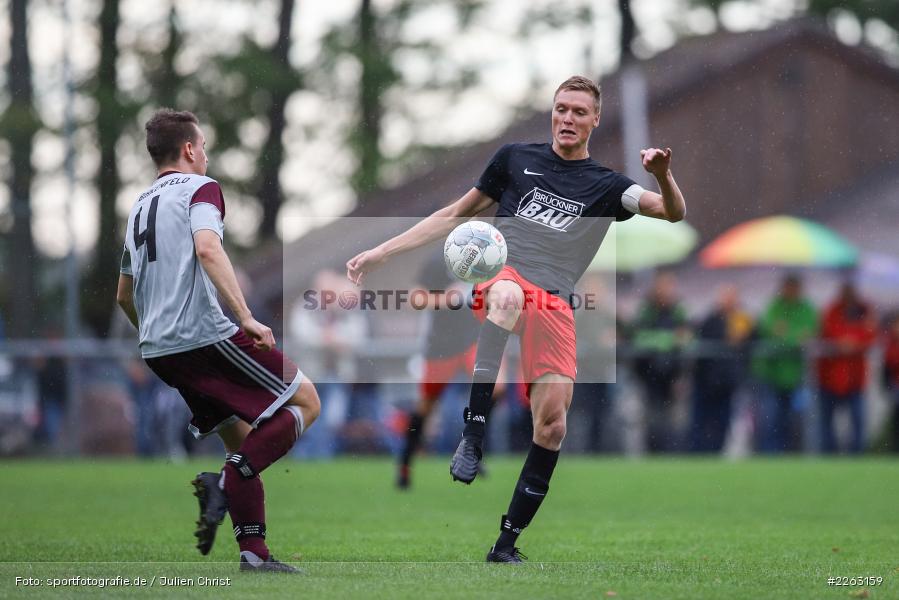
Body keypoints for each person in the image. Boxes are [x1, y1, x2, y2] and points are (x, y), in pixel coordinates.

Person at [347, 76, 686, 562]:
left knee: (551, 426)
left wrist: (663, 173)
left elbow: (672, 212)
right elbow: (453, 214)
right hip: (506, 277)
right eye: (560, 108)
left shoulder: (608, 186)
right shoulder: (515, 160)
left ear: (595, 120)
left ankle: (505, 545)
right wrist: (382, 250)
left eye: (577, 112)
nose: (566, 118)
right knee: (505, 295)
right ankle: (473, 434)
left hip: (555, 302)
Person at [116, 109, 320, 573]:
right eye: (203, 145)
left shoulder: (139, 205)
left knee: (242, 438)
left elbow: (124, 294)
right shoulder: (200, 189)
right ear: (189, 149)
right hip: (203, 336)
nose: (205, 154)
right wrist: (245, 316)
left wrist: (155, 333)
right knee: (306, 402)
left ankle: (254, 554)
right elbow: (209, 247)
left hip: (159, 349)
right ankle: (223, 484)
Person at [398, 250, 492, 489]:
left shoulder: (488, 258)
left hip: (474, 340)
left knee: (496, 388)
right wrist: (445, 300)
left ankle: (470, 445)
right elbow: (414, 299)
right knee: (426, 406)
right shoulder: (437, 261)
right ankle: (405, 463)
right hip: (441, 345)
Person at [751, 274, 818, 453]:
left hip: (796, 375)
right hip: (771, 374)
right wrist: (794, 338)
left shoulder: (806, 309)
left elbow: (806, 334)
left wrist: (785, 335)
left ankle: (788, 455)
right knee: (771, 419)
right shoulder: (774, 307)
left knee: (793, 420)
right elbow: (772, 331)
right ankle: (770, 456)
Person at [630, 271, 691, 452]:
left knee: (670, 416)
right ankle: (653, 450)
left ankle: (668, 450)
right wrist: (670, 340)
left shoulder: (678, 309)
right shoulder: (647, 310)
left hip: (672, 373)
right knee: (652, 415)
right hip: (649, 372)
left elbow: (689, 336)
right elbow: (640, 337)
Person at [689, 285, 753, 453]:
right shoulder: (711, 320)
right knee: (701, 421)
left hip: (727, 382)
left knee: (723, 422)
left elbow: (749, 341)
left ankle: (715, 452)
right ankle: (698, 454)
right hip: (706, 381)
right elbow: (704, 339)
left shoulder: (742, 319)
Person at [817, 282, 876, 453]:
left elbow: (871, 335)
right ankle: (830, 455)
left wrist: (853, 342)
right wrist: (841, 342)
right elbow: (826, 331)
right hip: (830, 376)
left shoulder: (864, 311)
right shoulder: (832, 310)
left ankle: (856, 455)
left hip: (855, 378)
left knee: (858, 421)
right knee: (827, 422)